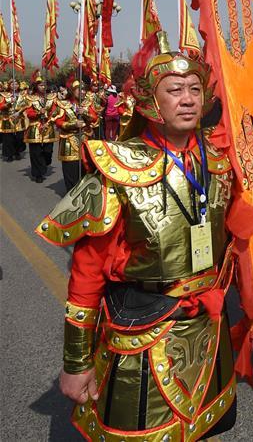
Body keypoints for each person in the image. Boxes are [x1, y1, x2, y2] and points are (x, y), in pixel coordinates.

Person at [36, 29, 236, 441]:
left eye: (195, 89)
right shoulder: (118, 167)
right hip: (145, 329)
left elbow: (250, 225)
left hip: (207, 324)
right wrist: (76, 361)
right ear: (150, 100)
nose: (187, 98)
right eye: (175, 89)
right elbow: (86, 273)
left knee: (203, 429)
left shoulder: (218, 163)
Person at [55, 76, 97, 192]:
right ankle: (71, 195)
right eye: (80, 89)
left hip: (85, 139)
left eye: (84, 89)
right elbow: (58, 122)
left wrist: (86, 114)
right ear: (72, 91)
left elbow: (95, 119)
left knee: (86, 169)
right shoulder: (63, 104)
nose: (83, 92)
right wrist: (72, 124)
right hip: (69, 140)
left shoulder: (88, 104)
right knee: (71, 170)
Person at [22, 70, 57, 183]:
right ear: (36, 86)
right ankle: (38, 174)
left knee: (48, 151)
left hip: (48, 126)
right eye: (40, 85)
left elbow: (55, 110)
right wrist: (38, 113)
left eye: (44, 84)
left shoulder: (52, 97)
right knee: (35, 152)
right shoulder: (30, 98)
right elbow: (28, 112)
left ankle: (45, 162)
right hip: (35, 126)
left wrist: (49, 116)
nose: (43, 86)